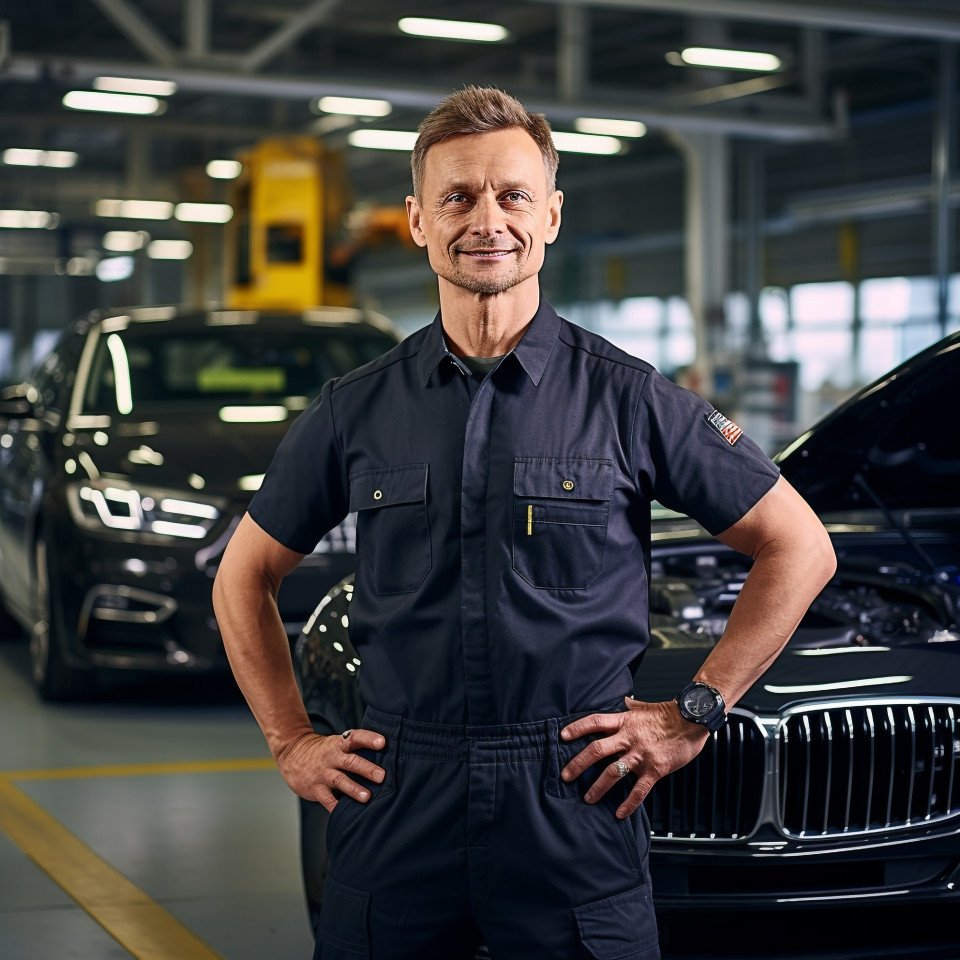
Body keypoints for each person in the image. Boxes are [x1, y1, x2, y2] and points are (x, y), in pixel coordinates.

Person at [212, 85, 836, 960]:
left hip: (571, 800)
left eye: (512, 195)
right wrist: (290, 743)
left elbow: (799, 545)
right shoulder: (355, 410)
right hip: (400, 796)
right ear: (419, 221)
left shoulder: (628, 398)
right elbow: (243, 574)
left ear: (550, 215)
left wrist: (693, 712)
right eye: (457, 197)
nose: (487, 219)